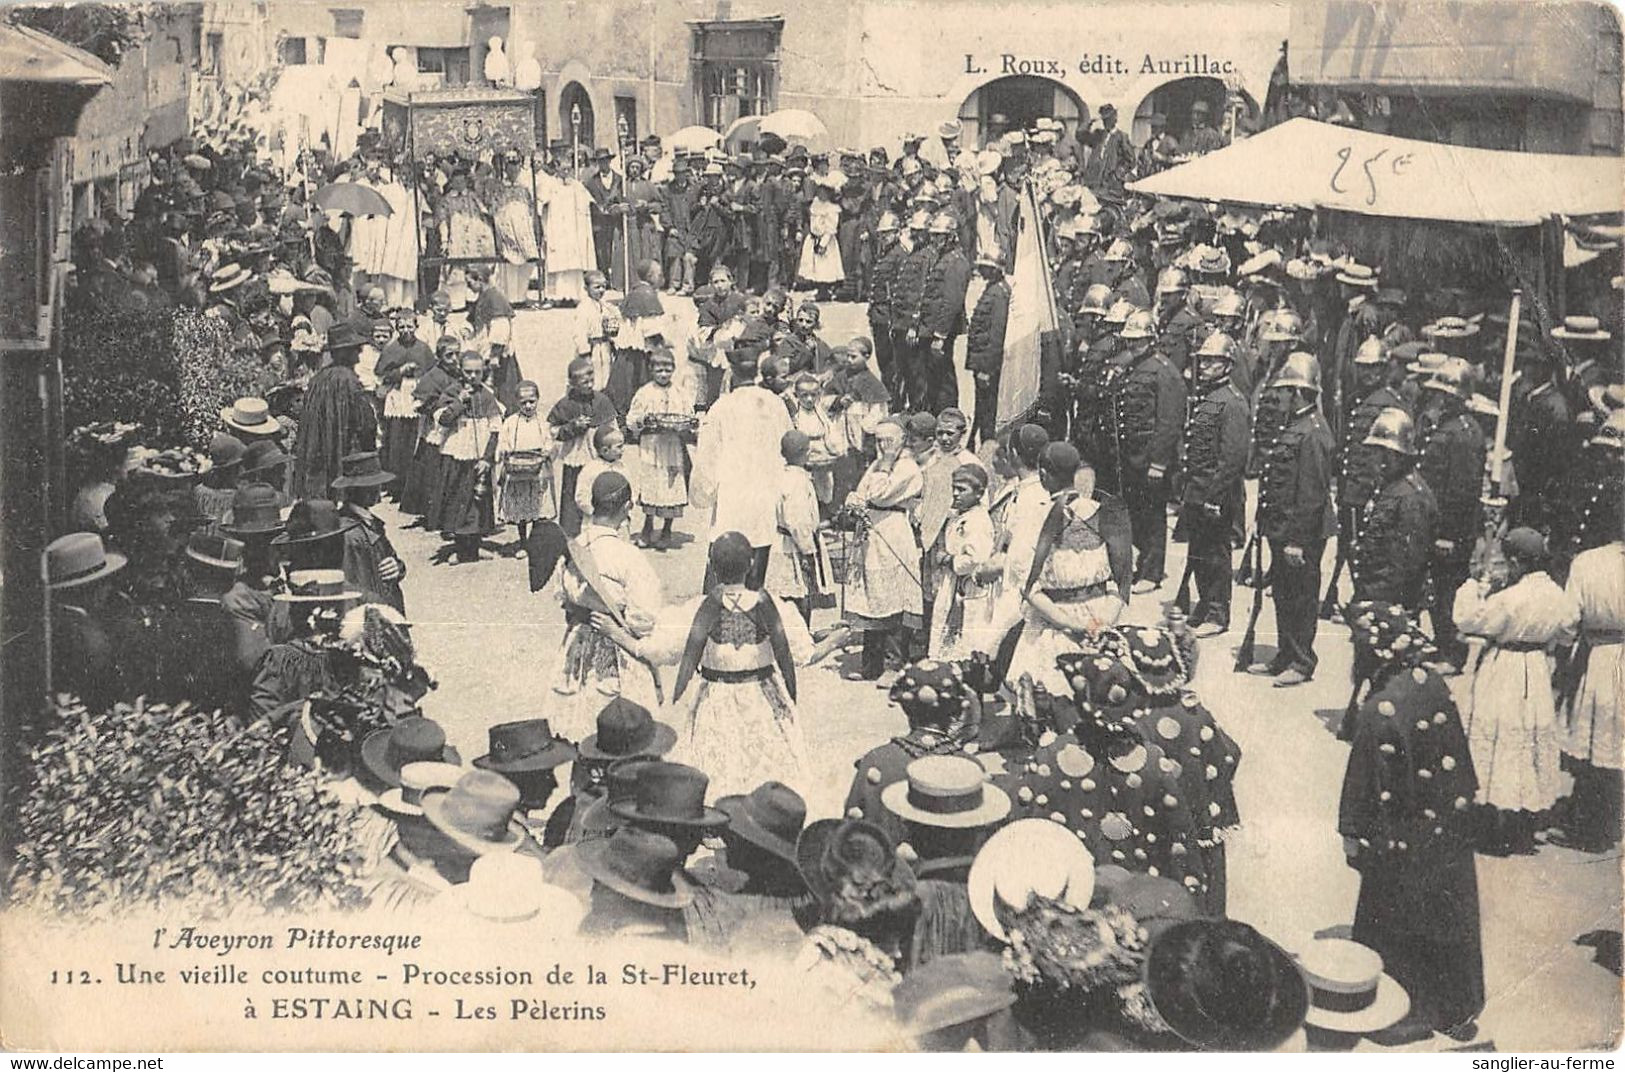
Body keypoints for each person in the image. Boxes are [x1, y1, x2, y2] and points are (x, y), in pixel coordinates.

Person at [1339, 604, 1484, 1039]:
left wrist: (1353, 837)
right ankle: (1456, 1007)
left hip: (1398, 838)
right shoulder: (1434, 684)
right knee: (1448, 911)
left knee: (1395, 917)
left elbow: (1363, 788)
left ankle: (1405, 1013)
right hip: (1447, 829)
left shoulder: (1379, 710)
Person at [1453, 527, 1579, 854]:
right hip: (1536, 667)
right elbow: (1568, 632)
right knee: (1527, 739)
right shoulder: (1556, 594)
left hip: (1504, 667)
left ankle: (1493, 826)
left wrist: (1471, 587)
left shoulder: (1510, 598)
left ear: (1518, 562)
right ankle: (1522, 825)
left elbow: (1469, 620)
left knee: (1499, 738)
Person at [550, 471, 664, 742]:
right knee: (622, 732)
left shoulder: (573, 547)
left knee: (581, 729)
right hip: (616, 646)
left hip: (577, 646)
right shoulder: (628, 556)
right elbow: (645, 618)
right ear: (627, 508)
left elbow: (561, 596)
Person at [1249, 353, 1334, 687]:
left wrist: (1297, 541)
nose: (1279, 397)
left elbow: (1311, 494)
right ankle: (1285, 653)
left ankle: (1301, 661)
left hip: (1302, 533)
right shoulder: (1296, 425)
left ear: (1299, 392)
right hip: (1282, 526)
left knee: (1300, 596)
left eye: (1285, 391)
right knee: (1284, 593)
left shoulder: (1312, 432)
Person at [691, 347, 795, 590]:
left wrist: (704, 495)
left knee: (727, 555)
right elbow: (789, 444)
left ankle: (719, 616)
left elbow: (706, 458)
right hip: (766, 493)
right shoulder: (775, 404)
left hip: (733, 495)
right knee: (761, 549)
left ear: (732, 373)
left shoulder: (721, 407)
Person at [841, 416, 925, 681]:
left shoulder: (907, 467)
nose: (882, 446)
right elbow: (861, 491)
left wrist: (887, 462)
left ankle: (892, 665)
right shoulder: (880, 464)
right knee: (872, 597)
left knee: (892, 598)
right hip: (871, 532)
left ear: (902, 440)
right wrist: (854, 501)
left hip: (893, 530)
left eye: (889, 441)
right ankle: (870, 665)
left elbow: (878, 494)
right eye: (878, 441)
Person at [1108, 310, 1185, 595]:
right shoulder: (1132, 367)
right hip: (1131, 456)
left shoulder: (1164, 371)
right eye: (1130, 340)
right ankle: (1143, 563)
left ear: (1151, 339)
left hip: (1151, 458)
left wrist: (1160, 463)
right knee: (1137, 513)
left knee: (1153, 516)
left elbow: (1169, 421)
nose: (1134, 345)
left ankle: (1152, 571)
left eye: (1139, 340)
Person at [1558, 527, 1625, 852]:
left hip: (1599, 656)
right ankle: (1609, 822)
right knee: (1615, 741)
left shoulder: (1587, 562)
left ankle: (1591, 827)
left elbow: (1569, 619)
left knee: (1597, 739)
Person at [1180, 332, 1250, 637]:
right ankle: (1205, 605)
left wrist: (1215, 497)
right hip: (1197, 490)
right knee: (1198, 553)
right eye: (1203, 360)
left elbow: (1232, 458)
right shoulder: (1208, 397)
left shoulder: (1232, 403)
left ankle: (1218, 613)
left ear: (1227, 365)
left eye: (1212, 361)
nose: (1205, 365)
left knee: (1216, 556)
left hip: (1215, 494)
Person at [1418, 357, 1486, 670]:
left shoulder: (1464, 432)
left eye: (1444, 394)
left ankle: (1453, 654)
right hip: (1439, 523)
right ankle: (1442, 643)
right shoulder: (1447, 427)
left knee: (1449, 590)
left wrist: (1447, 533)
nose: (1438, 398)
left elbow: (1462, 491)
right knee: (1439, 589)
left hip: (1453, 529)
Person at [428, 352, 503, 563]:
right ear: (461, 371)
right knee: (458, 500)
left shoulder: (487, 396)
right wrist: (459, 402)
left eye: (477, 372)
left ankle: (475, 546)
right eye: (468, 371)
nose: (472, 376)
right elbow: (443, 419)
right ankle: (460, 549)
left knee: (478, 501)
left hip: (478, 458)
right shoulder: (451, 392)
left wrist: (487, 458)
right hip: (456, 454)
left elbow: (496, 429)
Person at [45, 532, 129, 712]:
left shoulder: (50, 624)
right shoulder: (90, 636)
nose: (110, 589)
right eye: (106, 582)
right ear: (94, 588)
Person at [292, 323, 378, 498]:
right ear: (345, 352)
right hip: (343, 449)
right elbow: (365, 422)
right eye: (356, 350)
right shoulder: (349, 380)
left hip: (318, 449)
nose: (360, 354)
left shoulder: (319, 378)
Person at [624, 347, 693, 549]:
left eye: (667, 370)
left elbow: (687, 414)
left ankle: (667, 530)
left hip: (672, 445)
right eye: (659, 370)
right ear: (651, 370)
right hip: (652, 446)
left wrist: (687, 424)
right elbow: (631, 420)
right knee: (652, 485)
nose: (663, 375)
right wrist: (643, 420)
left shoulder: (680, 392)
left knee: (671, 486)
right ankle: (647, 527)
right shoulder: (644, 393)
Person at [928, 464, 996, 661]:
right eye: (954, 489)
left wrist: (949, 560)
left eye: (962, 490)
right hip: (951, 584)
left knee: (963, 635)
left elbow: (978, 558)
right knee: (943, 628)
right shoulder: (961, 516)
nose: (956, 494)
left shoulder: (978, 521)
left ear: (979, 493)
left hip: (967, 587)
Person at [548, 356, 619, 537]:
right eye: (582, 382)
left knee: (596, 492)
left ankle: (597, 532)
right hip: (574, 456)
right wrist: (572, 427)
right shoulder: (565, 404)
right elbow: (553, 432)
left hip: (595, 456)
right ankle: (570, 535)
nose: (588, 385)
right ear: (572, 383)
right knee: (572, 495)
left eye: (591, 380)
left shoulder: (601, 400)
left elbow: (612, 427)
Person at [330, 451, 407, 611]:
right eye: (372, 486)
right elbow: (352, 586)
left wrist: (397, 567)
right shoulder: (349, 533)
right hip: (372, 615)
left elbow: (391, 558)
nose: (378, 490)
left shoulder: (371, 522)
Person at [764, 430, 826, 625]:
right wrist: (807, 550)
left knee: (782, 598)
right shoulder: (797, 481)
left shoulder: (779, 476)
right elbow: (797, 521)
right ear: (804, 453)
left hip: (780, 541)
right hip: (793, 546)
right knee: (798, 598)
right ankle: (798, 642)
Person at [375, 310, 431, 501]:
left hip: (416, 393)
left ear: (416, 326)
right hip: (398, 395)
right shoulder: (391, 348)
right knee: (396, 441)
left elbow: (431, 371)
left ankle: (414, 485)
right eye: (402, 327)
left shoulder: (423, 348)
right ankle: (396, 486)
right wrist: (400, 371)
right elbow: (382, 375)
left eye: (409, 326)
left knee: (414, 439)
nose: (406, 331)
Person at [920, 213, 972, 413]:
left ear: (951, 237)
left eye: (939, 236)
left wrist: (940, 335)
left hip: (941, 331)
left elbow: (951, 302)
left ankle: (948, 414)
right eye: (933, 236)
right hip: (931, 327)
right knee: (934, 375)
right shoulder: (944, 258)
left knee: (943, 377)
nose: (934, 240)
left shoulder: (956, 262)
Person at [494, 380, 556, 550]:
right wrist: (504, 450)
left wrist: (547, 450)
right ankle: (522, 542)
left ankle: (534, 541)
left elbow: (549, 441)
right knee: (521, 506)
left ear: (538, 399)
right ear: (517, 402)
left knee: (537, 506)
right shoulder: (511, 422)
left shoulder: (543, 422)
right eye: (523, 403)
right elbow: (503, 440)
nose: (528, 406)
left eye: (532, 401)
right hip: (517, 469)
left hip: (538, 468)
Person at [965, 255, 1010, 446]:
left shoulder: (998, 294)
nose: (981, 271)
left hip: (987, 365)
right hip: (981, 362)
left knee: (988, 410)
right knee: (982, 408)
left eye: (986, 267)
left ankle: (987, 447)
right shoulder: (992, 289)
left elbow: (996, 336)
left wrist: (987, 369)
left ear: (995, 269)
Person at [466, 264, 521, 411]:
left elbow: (501, 327)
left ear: (480, 280)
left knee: (504, 391)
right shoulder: (484, 296)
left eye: (470, 283)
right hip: (486, 351)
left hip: (497, 355)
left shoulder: (495, 297)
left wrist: (495, 354)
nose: (468, 287)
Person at [573, 423, 636, 535]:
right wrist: (595, 512)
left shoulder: (622, 467)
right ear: (605, 450)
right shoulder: (591, 469)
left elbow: (632, 488)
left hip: (619, 521)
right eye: (619, 447)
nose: (623, 450)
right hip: (596, 522)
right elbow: (581, 495)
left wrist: (630, 502)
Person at [574, 270, 618, 400]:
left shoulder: (604, 305)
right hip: (591, 348)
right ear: (586, 288)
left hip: (604, 345)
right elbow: (579, 332)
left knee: (606, 373)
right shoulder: (583, 308)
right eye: (597, 287)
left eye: (604, 286)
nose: (601, 290)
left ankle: (603, 399)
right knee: (592, 375)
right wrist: (584, 352)